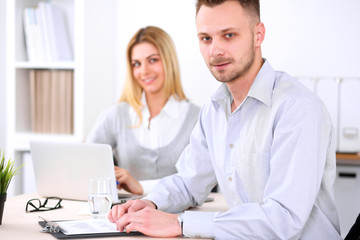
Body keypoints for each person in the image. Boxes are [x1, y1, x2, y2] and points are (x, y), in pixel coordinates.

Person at [107, 1, 342, 239]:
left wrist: (179, 223)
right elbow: (189, 182)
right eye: (206, 39)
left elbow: (283, 219)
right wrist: (150, 204)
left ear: (258, 34)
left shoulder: (297, 108)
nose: (215, 50)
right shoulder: (214, 111)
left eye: (229, 35)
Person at [86, 26, 200, 195]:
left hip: (179, 216)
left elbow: (198, 182)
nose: (144, 71)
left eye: (153, 60)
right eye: (136, 64)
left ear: (169, 61)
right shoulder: (116, 116)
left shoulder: (198, 118)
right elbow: (86, 165)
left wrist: (141, 187)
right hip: (127, 215)